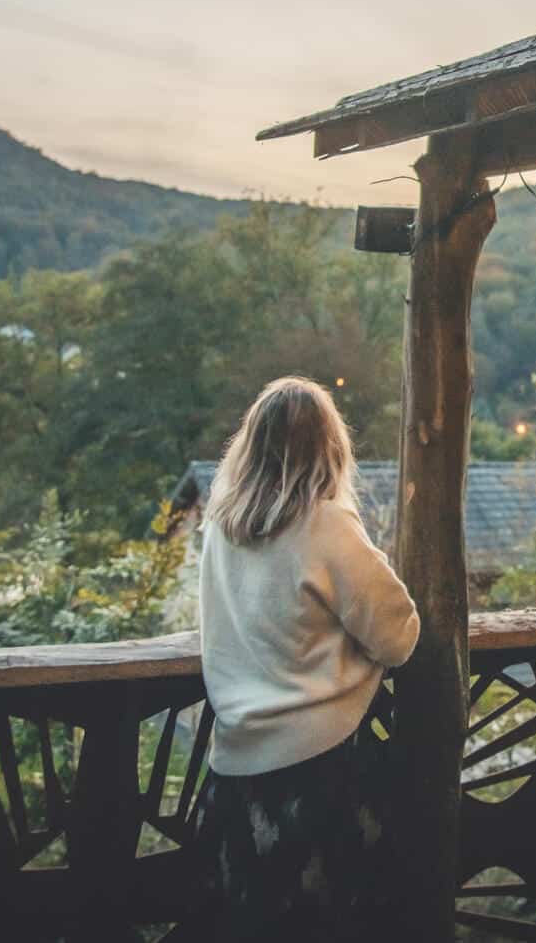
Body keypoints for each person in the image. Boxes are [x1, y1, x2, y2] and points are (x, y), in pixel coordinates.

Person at [196, 376, 419, 941]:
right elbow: (399, 637)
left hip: (235, 774)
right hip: (320, 775)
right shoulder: (326, 527)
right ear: (330, 445)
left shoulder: (222, 529)